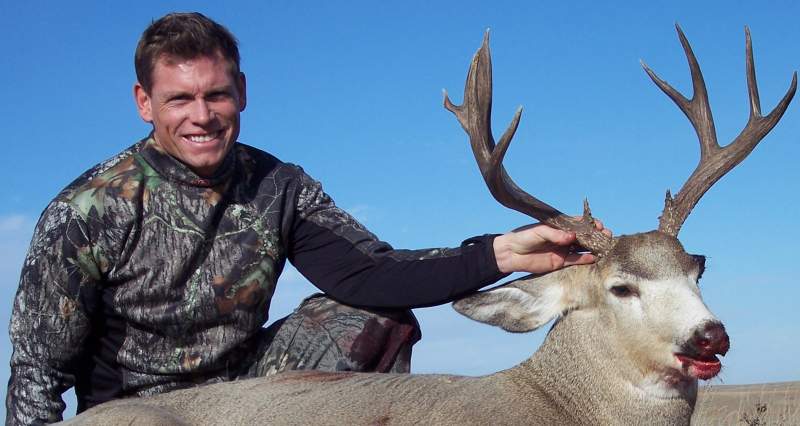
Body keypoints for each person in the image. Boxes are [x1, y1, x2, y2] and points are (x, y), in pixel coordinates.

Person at [5, 12, 608, 425]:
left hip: (247, 400)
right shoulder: (88, 209)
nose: (202, 116)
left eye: (216, 95)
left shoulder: (278, 186)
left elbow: (373, 274)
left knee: (369, 314)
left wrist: (504, 252)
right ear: (145, 103)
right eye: (179, 99)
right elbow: (37, 368)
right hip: (137, 414)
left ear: (241, 90)